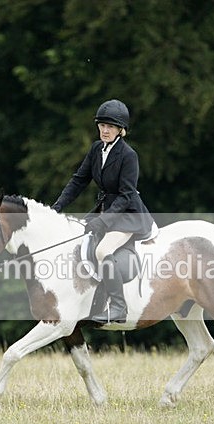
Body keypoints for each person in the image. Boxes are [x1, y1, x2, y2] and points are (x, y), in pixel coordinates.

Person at [52, 99, 155, 323]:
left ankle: (118, 307)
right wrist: (56, 207)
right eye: (102, 125)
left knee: (102, 251)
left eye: (110, 127)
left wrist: (104, 221)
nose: (105, 130)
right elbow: (79, 180)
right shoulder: (96, 149)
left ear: (120, 130)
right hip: (106, 210)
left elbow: (126, 195)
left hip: (128, 214)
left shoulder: (128, 155)